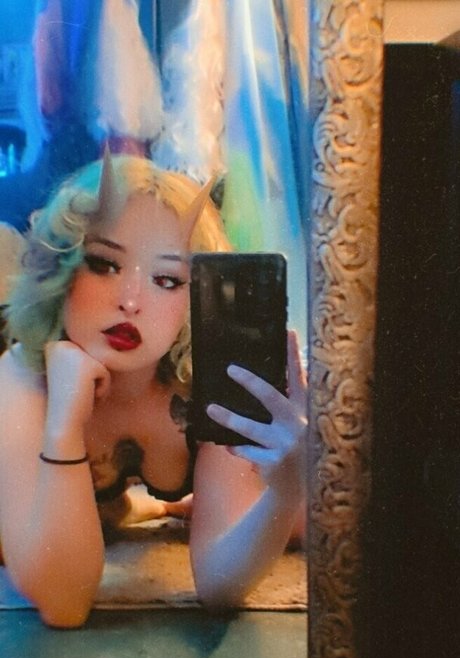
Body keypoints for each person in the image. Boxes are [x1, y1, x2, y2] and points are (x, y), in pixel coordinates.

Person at [0, 151, 307, 628]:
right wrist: (62, 425)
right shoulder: (22, 376)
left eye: (166, 279)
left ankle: (151, 506)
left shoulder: (205, 382)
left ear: (195, 295)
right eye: (104, 264)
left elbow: (218, 587)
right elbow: (64, 603)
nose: (130, 301)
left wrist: (285, 493)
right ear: (62, 267)